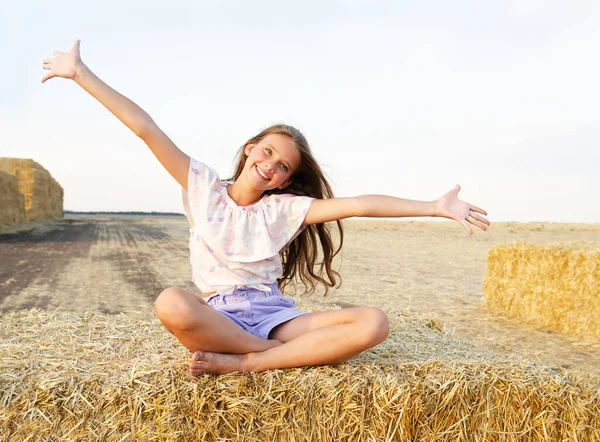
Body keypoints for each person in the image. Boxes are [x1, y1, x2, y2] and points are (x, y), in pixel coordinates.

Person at [42, 40, 490, 376]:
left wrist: (434, 206)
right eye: (268, 152)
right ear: (251, 148)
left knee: (374, 323)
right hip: (217, 314)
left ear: (287, 180)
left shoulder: (283, 210)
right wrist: (81, 74)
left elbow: (358, 204)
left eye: (283, 166)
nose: (270, 165)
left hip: (275, 317)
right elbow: (146, 128)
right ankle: (265, 356)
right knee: (171, 303)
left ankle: (246, 364)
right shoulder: (203, 187)